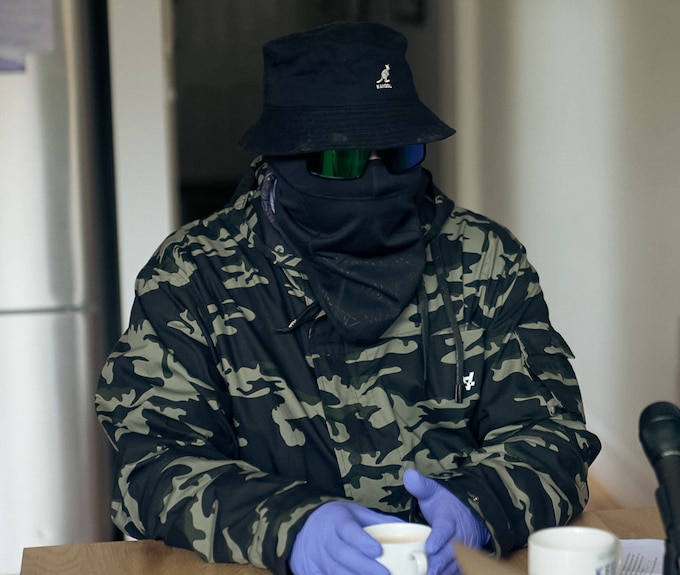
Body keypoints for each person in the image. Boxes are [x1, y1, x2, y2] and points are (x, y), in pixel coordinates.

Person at [94, 21, 601, 575]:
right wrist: (292, 527)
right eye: (342, 162)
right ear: (281, 160)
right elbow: (149, 463)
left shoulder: (484, 259)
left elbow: (552, 435)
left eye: (400, 152)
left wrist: (478, 508)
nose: (376, 179)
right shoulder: (194, 275)